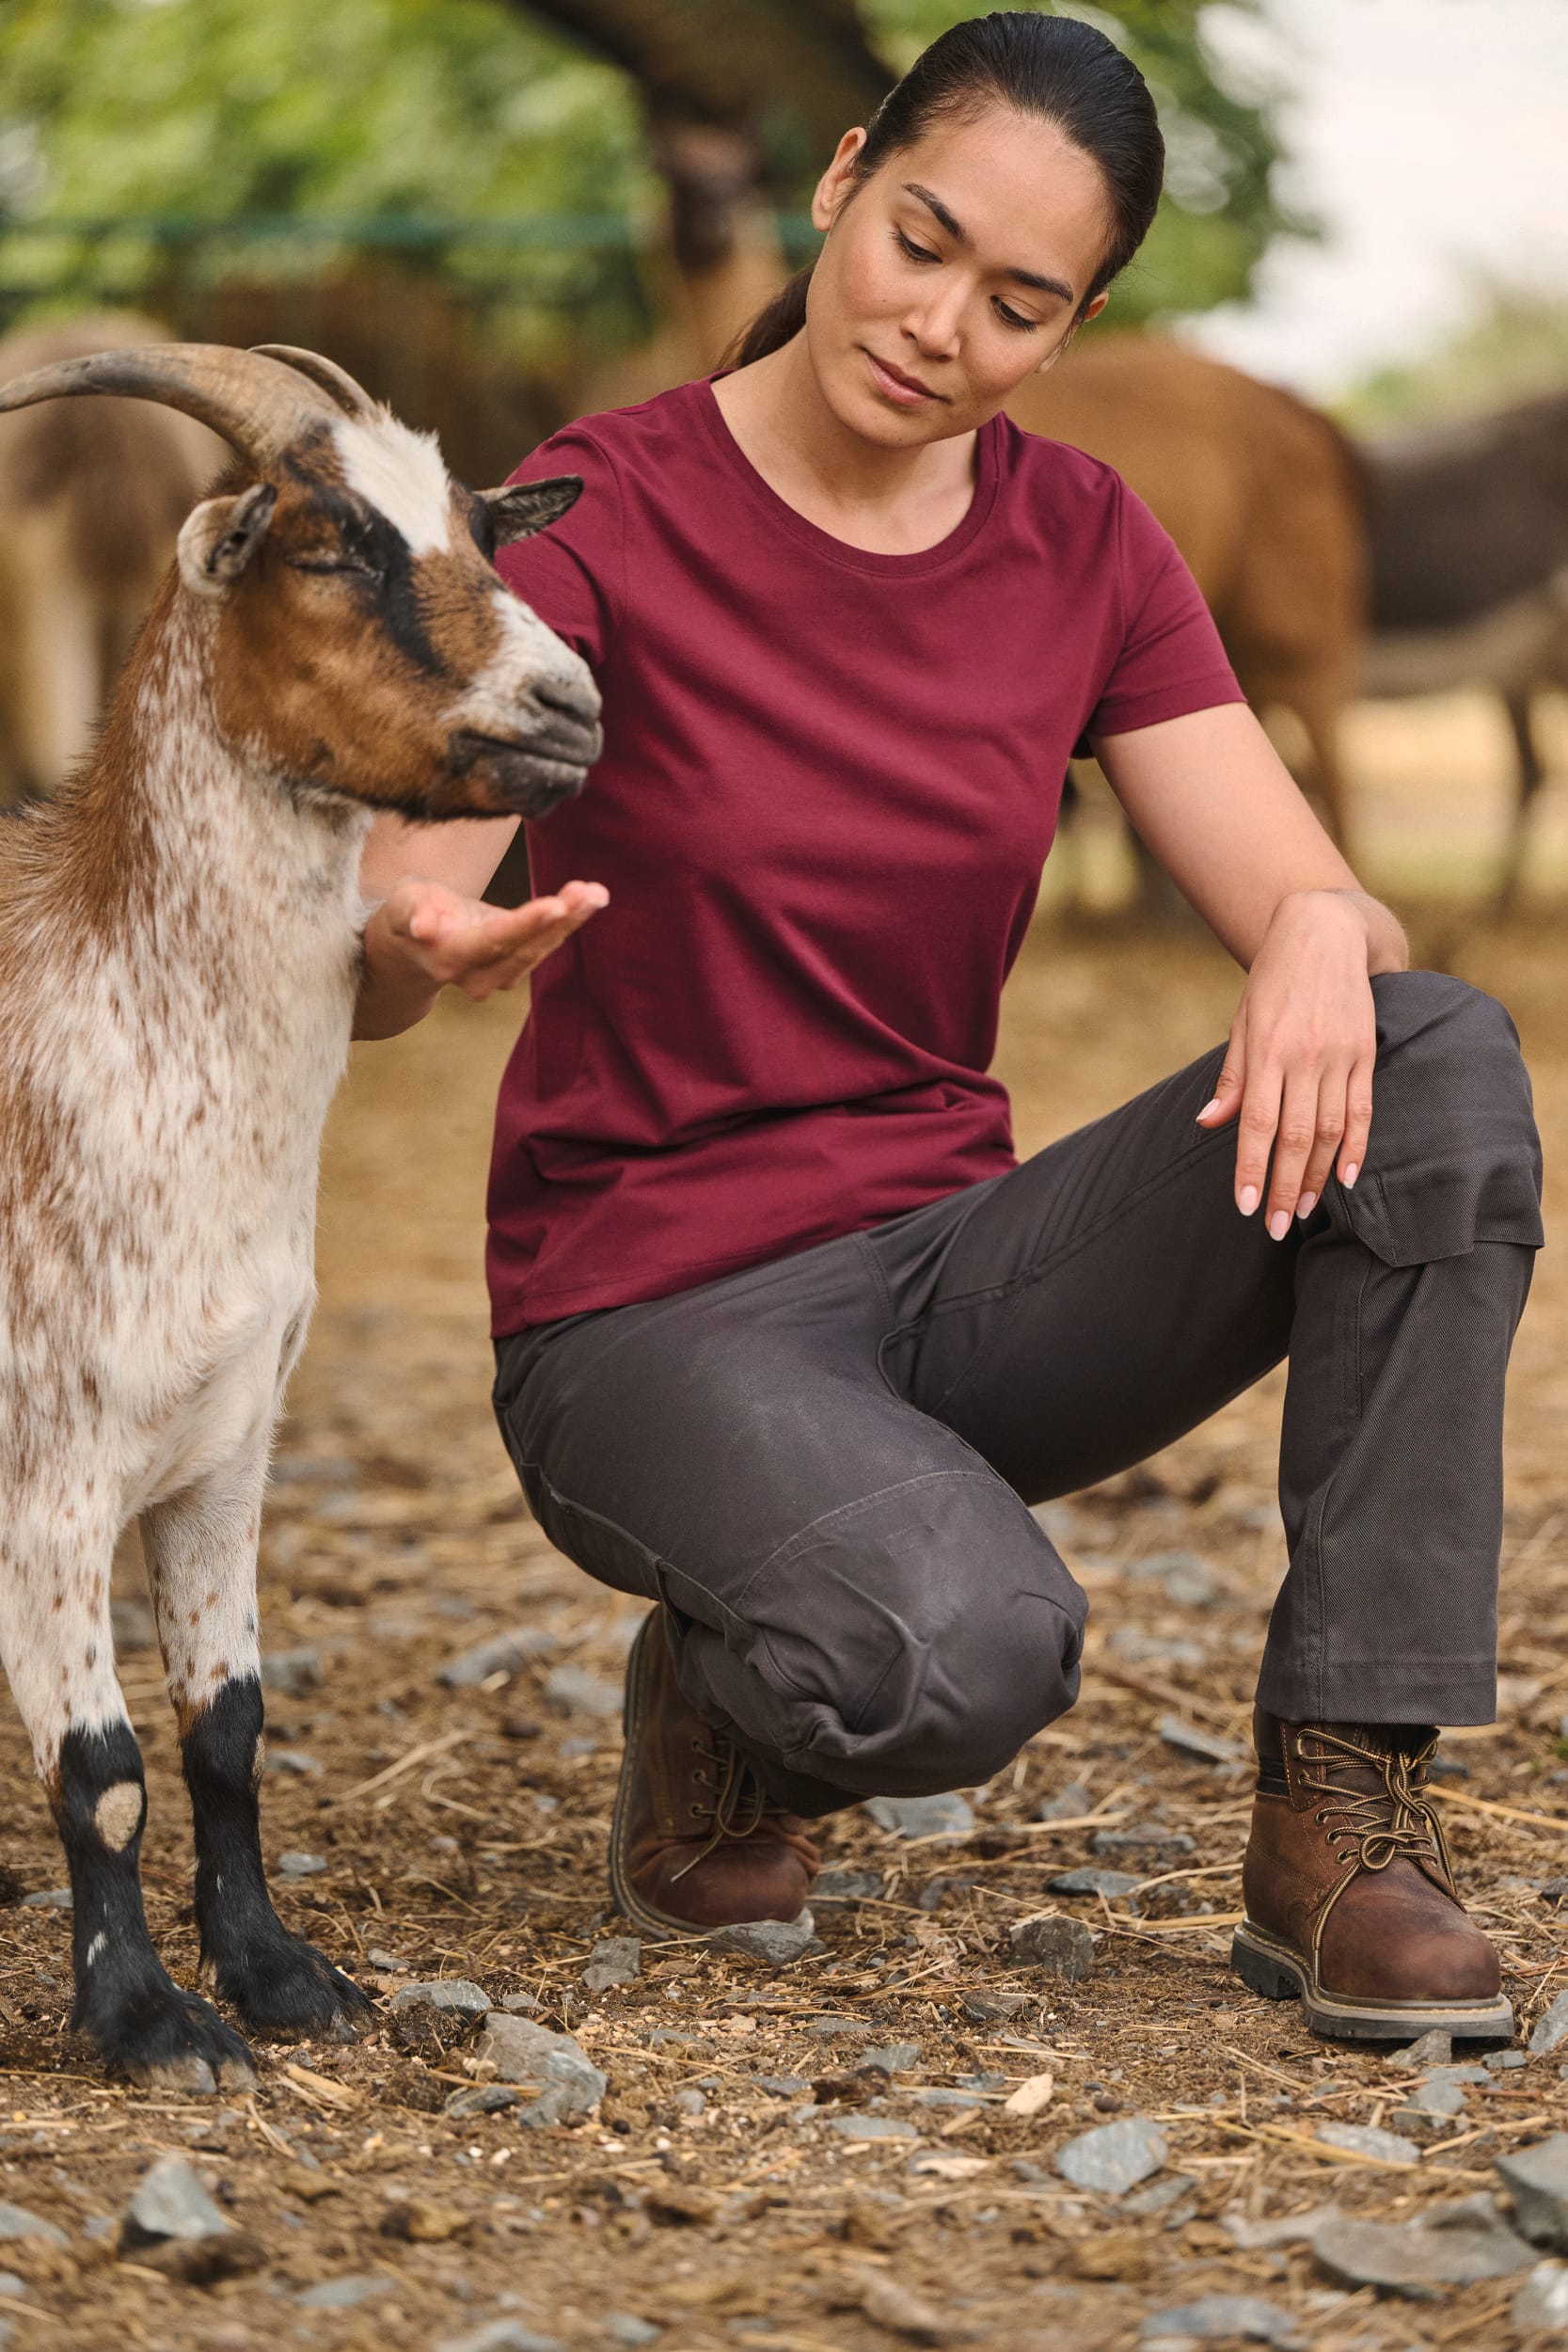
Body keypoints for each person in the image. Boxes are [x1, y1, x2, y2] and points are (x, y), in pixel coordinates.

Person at [352, 13, 1543, 2042]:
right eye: (919, 240)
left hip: (949, 1268)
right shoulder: (581, 519)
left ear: (1067, 328)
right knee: (958, 1655)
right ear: (838, 183)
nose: (937, 325)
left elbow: (1304, 879)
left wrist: (1328, 929)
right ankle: (721, 1703)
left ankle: (1343, 1807)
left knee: (1435, 1058)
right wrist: (410, 939)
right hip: (652, 1307)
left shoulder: (1081, 541)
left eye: (1019, 302)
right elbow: (385, 921)